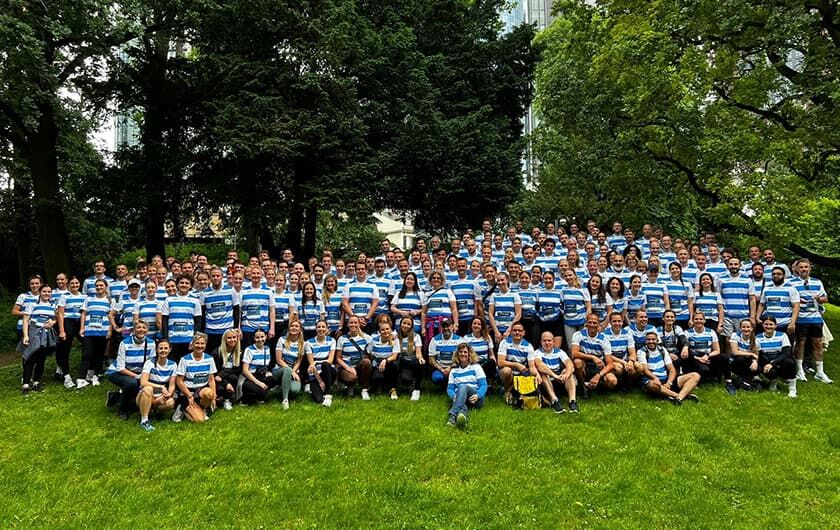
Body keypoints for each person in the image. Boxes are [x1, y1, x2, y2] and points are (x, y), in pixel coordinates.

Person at [105, 319, 155, 419]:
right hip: (117, 372)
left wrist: (144, 376)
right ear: (134, 330)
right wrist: (137, 377)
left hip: (138, 373)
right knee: (131, 383)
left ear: (147, 330)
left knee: (139, 388)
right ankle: (122, 410)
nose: (141, 330)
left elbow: (151, 363)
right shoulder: (124, 343)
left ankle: (115, 397)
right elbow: (120, 368)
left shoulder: (151, 343)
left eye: (144, 328)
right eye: (138, 327)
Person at [791, 260, 831, 383]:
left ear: (810, 268)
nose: (804, 269)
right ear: (797, 269)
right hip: (801, 318)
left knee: (817, 343)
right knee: (800, 343)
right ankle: (800, 370)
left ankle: (820, 371)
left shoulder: (817, 282)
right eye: (801, 267)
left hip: (816, 318)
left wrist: (819, 299)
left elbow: (825, 298)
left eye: (806, 267)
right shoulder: (791, 283)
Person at [638, 331, 701, 405]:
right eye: (648, 340)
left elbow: (671, 369)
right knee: (653, 385)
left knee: (695, 376)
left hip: (666, 380)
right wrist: (655, 378)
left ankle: (677, 398)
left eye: (653, 339)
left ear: (657, 341)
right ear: (645, 341)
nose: (651, 341)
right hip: (652, 381)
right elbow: (645, 370)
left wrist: (669, 383)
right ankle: (680, 396)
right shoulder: (641, 352)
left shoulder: (662, 350)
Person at [19, 284, 57, 394]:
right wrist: (26, 335)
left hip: (46, 334)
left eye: (49, 292)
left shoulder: (52, 305)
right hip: (33, 332)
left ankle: (36, 383)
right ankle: (25, 385)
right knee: (29, 357)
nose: (47, 294)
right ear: (40, 292)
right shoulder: (32, 304)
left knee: (41, 359)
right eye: (44, 291)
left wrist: (52, 322)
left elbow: (55, 319)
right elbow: (26, 320)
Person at [529, 331, 578, 414]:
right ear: (541, 342)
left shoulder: (559, 352)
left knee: (568, 371)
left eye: (549, 340)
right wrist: (555, 376)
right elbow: (539, 365)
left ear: (553, 342)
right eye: (544, 341)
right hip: (547, 381)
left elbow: (570, 364)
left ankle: (572, 401)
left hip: (559, 379)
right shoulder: (537, 352)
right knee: (544, 374)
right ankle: (554, 401)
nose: (547, 343)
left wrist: (566, 374)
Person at [173, 332, 218, 422]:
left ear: (205, 345)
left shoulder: (209, 359)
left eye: (202, 343)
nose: (199, 346)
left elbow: (211, 379)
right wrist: (189, 395)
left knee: (210, 393)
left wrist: (213, 397)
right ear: (192, 345)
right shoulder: (184, 359)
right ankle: (182, 408)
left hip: (201, 391)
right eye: (197, 343)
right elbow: (179, 381)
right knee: (199, 420)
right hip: (188, 392)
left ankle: (203, 409)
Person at [77, 279, 112, 388]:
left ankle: (96, 376)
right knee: (87, 354)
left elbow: (112, 316)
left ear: (105, 287)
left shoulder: (110, 301)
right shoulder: (88, 299)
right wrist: (82, 328)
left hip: (103, 331)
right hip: (89, 331)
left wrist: (110, 330)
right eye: (97, 285)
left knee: (100, 355)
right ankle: (81, 378)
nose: (99, 287)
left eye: (101, 285)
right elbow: (83, 314)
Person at [571, 313, 617, 396]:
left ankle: (597, 385)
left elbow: (610, 364)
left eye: (595, 323)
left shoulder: (604, 339)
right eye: (590, 322)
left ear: (599, 324)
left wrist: (598, 375)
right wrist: (593, 357)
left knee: (613, 381)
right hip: (585, 364)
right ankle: (583, 387)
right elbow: (574, 353)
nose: (592, 325)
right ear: (586, 324)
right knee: (577, 362)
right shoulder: (578, 334)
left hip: (598, 366)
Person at [136, 338, 177, 432]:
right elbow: (143, 382)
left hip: (160, 396)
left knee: (171, 403)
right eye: (161, 348)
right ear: (157, 350)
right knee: (148, 389)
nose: (163, 350)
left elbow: (172, 385)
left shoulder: (173, 365)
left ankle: (153, 411)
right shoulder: (150, 362)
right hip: (145, 395)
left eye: (166, 348)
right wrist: (161, 387)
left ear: (170, 349)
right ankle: (144, 420)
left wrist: (169, 394)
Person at [161, 275, 204, 361]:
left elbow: (198, 323)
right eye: (181, 283)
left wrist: (194, 340)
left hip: (188, 340)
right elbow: (164, 321)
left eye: (187, 283)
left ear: (191, 286)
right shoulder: (168, 300)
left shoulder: (195, 301)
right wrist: (166, 339)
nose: (184, 285)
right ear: (177, 285)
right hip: (173, 339)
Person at [446, 342, 488, 429]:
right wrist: (455, 397)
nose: (463, 354)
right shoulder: (454, 371)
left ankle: (452, 415)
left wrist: (478, 395)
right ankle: (461, 418)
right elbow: (450, 389)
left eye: (465, 352)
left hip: (475, 398)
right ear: (457, 354)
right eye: (460, 352)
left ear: (469, 354)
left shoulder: (476, 367)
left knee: (462, 386)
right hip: (460, 398)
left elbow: (484, 385)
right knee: (461, 403)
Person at [755, 316, 798, 397]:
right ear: (763, 325)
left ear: (775, 326)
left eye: (771, 324)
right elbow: (760, 354)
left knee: (790, 362)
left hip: (780, 360)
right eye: (766, 324)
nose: (768, 326)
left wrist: (773, 363)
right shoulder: (758, 337)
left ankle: (792, 389)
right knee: (771, 371)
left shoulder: (782, 335)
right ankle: (773, 382)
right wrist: (768, 364)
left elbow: (787, 352)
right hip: (766, 361)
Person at [202, 266, 241, 355]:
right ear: (210, 278)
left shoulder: (231, 290)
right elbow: (203, 314)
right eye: (213, 276)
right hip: (211, 331)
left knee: (226, 355)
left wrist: (235, 328)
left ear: (222, 277)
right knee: (213, 355)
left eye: (218, 276)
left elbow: (236, 311)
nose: (215, 278)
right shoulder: (204, 293)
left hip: (227, 330)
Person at [56, 276, 85, 389]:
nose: (74, 285)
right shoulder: (64, 296)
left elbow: (84, 312)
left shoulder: (84, 296)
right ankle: (66, 376)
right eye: (72, 283)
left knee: (87, 345)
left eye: (76, 283)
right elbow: (60, 314)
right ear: (69, 285)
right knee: (65, 348)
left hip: (80, 323)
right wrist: (62, 330)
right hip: (68, 322)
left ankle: (88, 372)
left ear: (79, 284)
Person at [335, 315, 373, 399]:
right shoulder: (342, 339)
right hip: (346, 367)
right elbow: (338, 358)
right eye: (351, 323)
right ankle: (350, 386)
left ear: (359, 324)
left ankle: (364, 389)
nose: (353, 325)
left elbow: (378, 340)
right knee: (351, 378)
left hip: (359, 366)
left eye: (355, 322)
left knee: (367, 362)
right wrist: (348, 368)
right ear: (348, 325)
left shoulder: (366, 338)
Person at [497, 320, 535, 403]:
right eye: (514, 330)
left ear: (524, 333)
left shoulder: (529, 346)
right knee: (506, 370)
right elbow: (500, 362)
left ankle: (509, 391)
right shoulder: (505, 342)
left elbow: (532, 367)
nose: (517, 332)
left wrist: (537, 375)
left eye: (520, 330)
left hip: (521, 375)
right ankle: (508, 391)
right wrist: (517, 365)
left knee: (532, 374)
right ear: (511, 332)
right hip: (507, 373)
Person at [273, 319, 305, 410]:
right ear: (289, 328)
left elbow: (298, 361)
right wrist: (291, 371)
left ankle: (281, 388)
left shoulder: (302, 343)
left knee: (295, 391)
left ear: (300, 329)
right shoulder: (281, 340)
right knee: (287, 370)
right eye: (292, 326)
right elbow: (279, 360)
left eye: (296, 326)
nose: (294, 328)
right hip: (279, 370)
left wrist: (293, 372)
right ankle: (285, 400)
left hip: (293, 371)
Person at [305, 320, 337, 406]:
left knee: (325, 365)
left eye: (323, 327)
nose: (321, 329)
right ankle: (321, 389)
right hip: (316, 374)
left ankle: (328, 395)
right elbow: (312, 365)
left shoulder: (332, 341)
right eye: (319, 327)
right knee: (318, 399)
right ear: (315, 329)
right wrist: (320, 381)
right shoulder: (308, 343)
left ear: (327, 329)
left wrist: (315, 362)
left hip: (329, 371)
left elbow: (330, 361)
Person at [367, 318, 401, 399]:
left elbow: (395, 356)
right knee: (377, 377)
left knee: (395, 364)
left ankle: (393, 389)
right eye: (383, 330)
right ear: (379, 332)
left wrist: (385, 360)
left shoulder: (395, 340)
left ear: (391, 330)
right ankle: (379, 386)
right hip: (377, 363)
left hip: (389, 362)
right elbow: (369, 352)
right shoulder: (374, 340)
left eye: (387, 329)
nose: (385, 331)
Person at [682, 311, 720, 381]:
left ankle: (727, 381)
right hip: (694, 357)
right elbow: (685, 350)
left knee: (724, 357)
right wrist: (698, 358)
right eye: (696, 319)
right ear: (693, 321)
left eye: (701, 319)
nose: (698, 321)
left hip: (707, 355)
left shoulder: (711, 332)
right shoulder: (687, 332)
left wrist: (707, 355)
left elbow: (717, 350)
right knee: (704, 370)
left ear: (704, 320)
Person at [240, 329, 275, 404]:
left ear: (266, 337)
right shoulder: (249, 349)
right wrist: (259, 383)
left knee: (272, 379)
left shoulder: (267, 348)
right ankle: (257, 395)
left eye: (262, 337)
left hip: (262, 375)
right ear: (254, 338)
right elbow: (245, 370)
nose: (260, 339)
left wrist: (268, 371)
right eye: (257, 337)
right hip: (251, 377)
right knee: (254, 388)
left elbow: (266, 365)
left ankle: (257, 395)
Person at [560, 268, 591, 351]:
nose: (568, 277)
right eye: (566, 276)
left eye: (570, 275)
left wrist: (587, 321)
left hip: (582, 321)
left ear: (575, 276)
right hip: (568, 322)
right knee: (571, 346)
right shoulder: (563, 290)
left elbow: (588, 307)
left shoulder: (584, 289)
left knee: (584, 345)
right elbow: (562, 305)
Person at [603, 311, 638, 386]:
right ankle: (620, 384)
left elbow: (632, 352)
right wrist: (623, 362)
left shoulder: (627, 333)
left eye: (619, 321)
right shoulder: (604, 335)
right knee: (619, 368)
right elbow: (608, 355)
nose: (617, 323)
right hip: (611, 361)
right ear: (610, 322)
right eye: (614, 321)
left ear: (622, 322)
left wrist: (631, 361)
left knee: (639, 366)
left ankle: (632, 383)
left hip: (625, 360)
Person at [210, 328, 241, 410]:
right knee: (220, 388)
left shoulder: (239, 352)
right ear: (224, 340)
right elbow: (214, 373)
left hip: (227, 376)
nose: (232, 340)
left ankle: (227, 400)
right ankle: (218, 399)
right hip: (216, 378)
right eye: (229, 338)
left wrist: (223, 374)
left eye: (234, 337)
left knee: (233, 377)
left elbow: (238, 369)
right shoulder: (217, 352)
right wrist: (226, 383)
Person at [395, 316, 425, 401]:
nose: (406, 326)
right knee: (405, 378)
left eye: (409, 324)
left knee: (420, 363)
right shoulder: (395, 336)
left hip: (411, 361)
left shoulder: (416, 336)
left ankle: (416, 390)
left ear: (411, 326)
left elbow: (418, 353)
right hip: (401, 361)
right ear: (400, 324)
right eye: (404, 323)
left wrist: (421, 359)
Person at [488, 272, 522, 345]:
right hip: (498, 330)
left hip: (510, 330)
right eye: (498, 280)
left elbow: (518, 314)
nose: (500, 282)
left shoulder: (515, 295)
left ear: (507, 280)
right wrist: (496, 331)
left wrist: (509, 330)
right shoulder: (494, 295)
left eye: (502, 280)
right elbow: (490, 314)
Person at [428, 318, 462, 389]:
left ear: (452, 326)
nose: (446, 328)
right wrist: (441, 369)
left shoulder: (459, 340)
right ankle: (443, 385)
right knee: (436, 377)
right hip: (440, 368)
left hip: (454, 367)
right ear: (441, 327)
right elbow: (431, 359)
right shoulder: (434, 340)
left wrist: (450, 368)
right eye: (443, 326)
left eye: (448, 326)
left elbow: (462, 358)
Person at [729, 319, 760, 392]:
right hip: (735, 361)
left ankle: (746, 381)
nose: (746, 329)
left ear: (752, 328)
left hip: (748, 361)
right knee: (740, 359)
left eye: (748, 327)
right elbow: (735, 352)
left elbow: (756, 355)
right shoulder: (735, 335)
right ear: (740, 328)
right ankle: (743, 380)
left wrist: (755, 362)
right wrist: (751, 354)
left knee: (757, 367)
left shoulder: (756, 340)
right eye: (743, 327)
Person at [12, 275, 43, 341]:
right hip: (23, 326)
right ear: (29, 285)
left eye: (37, 283)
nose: (34, 285)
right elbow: (14, 312)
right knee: (25, 349)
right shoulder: (23, 296)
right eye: (32, 284)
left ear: (41, 284)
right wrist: (28, 314)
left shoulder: (45, 296)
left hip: (39, 327)